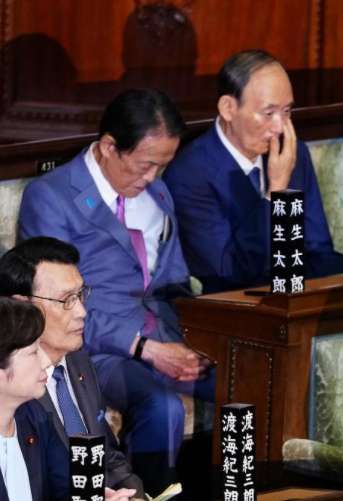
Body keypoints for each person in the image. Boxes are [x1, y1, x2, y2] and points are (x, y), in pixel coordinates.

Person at [17, 88, 214, 495]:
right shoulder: (52, 197)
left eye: (162, 166)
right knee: (162, 406)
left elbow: (174, 283)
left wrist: (200, 339)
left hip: (165, 334)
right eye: (145, 165)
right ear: (109, 146)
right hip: (96, 346)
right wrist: (144, 348)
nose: (152, 178)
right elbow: (53, 306)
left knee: (247, 380)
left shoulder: (157, 194)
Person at [164, 49, 343, 293]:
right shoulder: (190, 174)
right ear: (228, 108)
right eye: (269, 113)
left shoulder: (294, 154)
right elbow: (230, 271)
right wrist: (276, 192)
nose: (279, 127)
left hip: (294, 298)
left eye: (287, 111)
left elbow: (319, 250)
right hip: (235, 305)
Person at [0, 237, 145, 499]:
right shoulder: (18, 391)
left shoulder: (79, 362)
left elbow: (107, 455)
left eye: (80, 296)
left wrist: (133, 495)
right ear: (22, 304)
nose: (81, 312)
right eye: (66, 300)